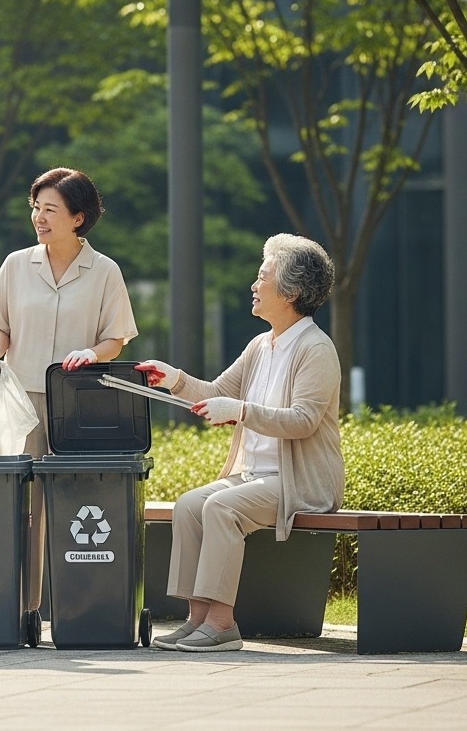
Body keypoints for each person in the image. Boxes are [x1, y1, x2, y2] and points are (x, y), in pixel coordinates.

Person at [136, 233, 343, 653]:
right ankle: (196, 620)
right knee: (190, 504)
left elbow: (303, 422)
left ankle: (221, 624)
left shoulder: (316, 349)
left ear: (292, 291)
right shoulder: (260, 346)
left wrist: (242, 411)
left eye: (262, 276)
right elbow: (215, 391)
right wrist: (172, 378)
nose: (253, 285)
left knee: (220, 506)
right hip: (255, 477)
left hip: (300, 482)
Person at [0, 166, 138, 616]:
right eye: (36, 208)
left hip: (77, 404)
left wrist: (92, 353)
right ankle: (19, 609)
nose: (39, 218)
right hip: (19, 401)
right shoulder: (14, 265)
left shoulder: (104, 271)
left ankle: (73, 608)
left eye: (50, 210)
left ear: (78, 218)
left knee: (71, 505)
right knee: (18, 505)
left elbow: (116, 338)